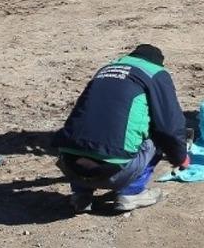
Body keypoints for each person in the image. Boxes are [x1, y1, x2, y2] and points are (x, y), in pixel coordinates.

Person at [53, 44, 188, 213]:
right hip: (113, 172)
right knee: (158, 133)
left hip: (70, 166)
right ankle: (131, 193)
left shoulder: (105, 70)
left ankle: (81, 195)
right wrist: (181, 157)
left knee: (89, 128)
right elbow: (169, 125)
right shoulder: (155, 73)